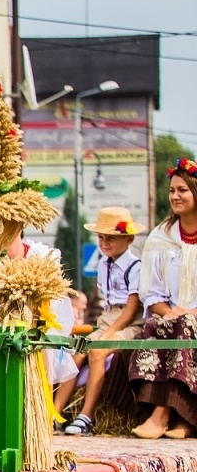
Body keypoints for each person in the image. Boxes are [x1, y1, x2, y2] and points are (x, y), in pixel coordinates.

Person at [129, 160, 197, 439]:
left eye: (183, 190)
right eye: (171, 190)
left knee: (186, 326)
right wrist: (168, 311)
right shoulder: (161, 236)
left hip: (193, 317)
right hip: (172, 314)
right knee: (155, 327)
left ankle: (162, 416)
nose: (175, 196)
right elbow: (151, 291)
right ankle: (180, 419)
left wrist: (191, 312)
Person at [62, 208, 145, 436]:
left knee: (97, 352)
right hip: (108, 319)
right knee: (76, 352)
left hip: (130, 324)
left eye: (111, 238)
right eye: (101, 237)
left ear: (128, 239)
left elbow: (131, 310)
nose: (104, 243)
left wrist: (107, 335)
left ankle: (86, 415)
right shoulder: (103, 264)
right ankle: (56, 412)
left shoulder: (135, 267)